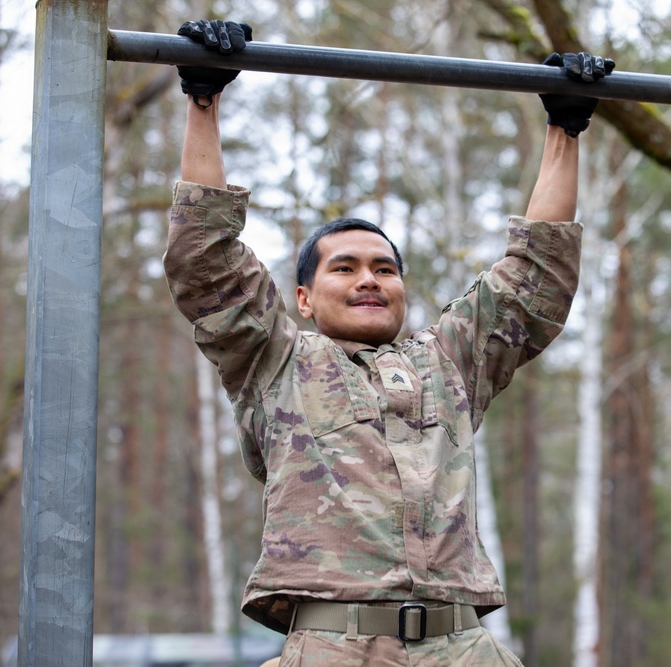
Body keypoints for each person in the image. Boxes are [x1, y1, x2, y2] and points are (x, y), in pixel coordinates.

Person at [164, 19, 613, 666]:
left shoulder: (449, 362)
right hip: (335, 647)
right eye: (344, 267)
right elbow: (205, 261)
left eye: (384, 268)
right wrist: (203, 98)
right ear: (303, 298)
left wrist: (565, 127)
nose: (369, 279)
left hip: (462, 649)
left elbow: (533, 279)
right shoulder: (276, 359)